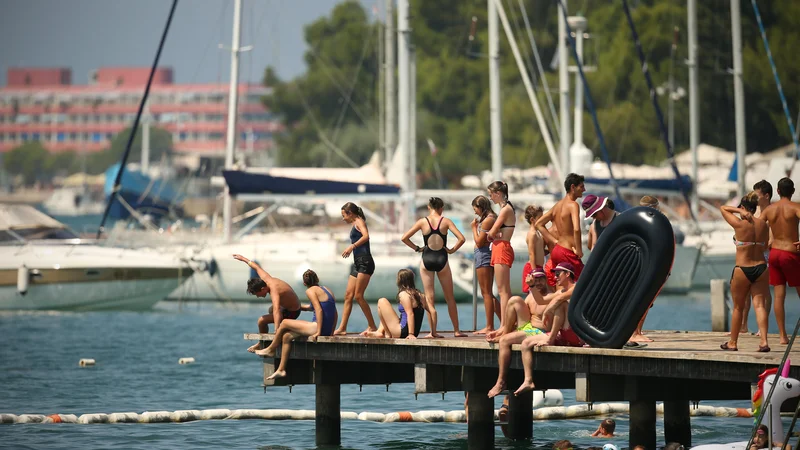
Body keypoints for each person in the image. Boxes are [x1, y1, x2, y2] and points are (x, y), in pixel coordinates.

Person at [401, 197, 467, 338]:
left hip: (427, 259)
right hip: (442, 259)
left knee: (430, 298)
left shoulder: (422, 221)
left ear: (429, 207)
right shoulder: (446, 221)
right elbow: (462, 238)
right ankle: (456, 330)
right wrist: (451, 250)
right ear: (441, 208)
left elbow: (404, 238)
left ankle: (433, 332)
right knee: (450, 298)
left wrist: (418, 248)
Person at [487, 267, 555, 398]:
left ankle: (501, 381)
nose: (539, 282)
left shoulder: (550, 297)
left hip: (541, 331)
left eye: (542, 279)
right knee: (514, 300)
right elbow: (518, 317)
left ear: (546, 280)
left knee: (504, 341)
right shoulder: (530, 296)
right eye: (536, 280)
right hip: (528, 326)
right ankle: (504, 332)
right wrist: (499, 330)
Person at [256, 270, 338, 379]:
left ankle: (271, 349)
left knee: (284, 323)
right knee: (287, 336)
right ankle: (281, 370)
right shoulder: (327, 290)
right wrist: (331, 331)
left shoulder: (310, 291)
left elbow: (318, 310)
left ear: (304, 283)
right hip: (326, 329)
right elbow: (333, 311)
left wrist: (318, 331)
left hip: (317, 328)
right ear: (317, 279)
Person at [514, 262, 580, 396]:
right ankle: (528, 380)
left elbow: (558, 300)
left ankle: (550, 339)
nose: (555, 277)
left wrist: (548, 310)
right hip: (563, 335)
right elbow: (542, 300)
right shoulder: (560, 291)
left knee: (559, 305)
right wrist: (531, 285)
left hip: (578, 335)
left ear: (567, 274)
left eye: (558, 274)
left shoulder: (577, 286)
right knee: (526, 343)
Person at [720, 192, 771, 352]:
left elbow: (723, 208)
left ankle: (733, 342)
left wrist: (740, 213)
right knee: (760, 305)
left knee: (738, 307)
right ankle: (763, 341)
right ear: (755, 208)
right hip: (761, 268)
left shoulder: (740, 224)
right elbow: (763, 247)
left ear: (743, 208)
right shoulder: (763, 224)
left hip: (743, 268)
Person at [234, 254, 302, 353]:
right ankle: (270, 336)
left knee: (261, 321)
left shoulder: (274, 290)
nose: (258, 297)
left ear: (262, 289)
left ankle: (262, 343)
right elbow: (256, 267)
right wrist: (243, 259)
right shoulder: (266, 279)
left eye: (257, 294)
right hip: (290, 307)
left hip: (293, 312)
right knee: (270, 310)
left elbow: (277, 310)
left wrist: (276, 331)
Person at [760, 178, 800, 345]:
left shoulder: (770, 210)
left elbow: (757, 225)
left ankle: (783, 336)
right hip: (790, 253)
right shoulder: (795, 207)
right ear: (793, 191)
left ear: (777, 191)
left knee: (778, 296)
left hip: (775, 253)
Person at [334, 202, 378, 336]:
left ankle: (372, 327)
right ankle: (342, 328)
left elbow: (366, 236)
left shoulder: (359, 222)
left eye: (344, 215)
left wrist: (351, 246)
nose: (343, 218)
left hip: (365, 262)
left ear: (350, 213)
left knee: (358, 296)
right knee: (348, 296)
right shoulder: (354, 224)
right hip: (357, 263)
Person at [537, 173, 586, 287]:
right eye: (581, 186)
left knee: (560, 286)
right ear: (573, 187)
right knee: (583, 283)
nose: (584, 189)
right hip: (568, 252)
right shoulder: (573, 205)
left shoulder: (557, 205)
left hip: (557, 251)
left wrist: (554, 241)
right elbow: (577, 229)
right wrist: (579, 250)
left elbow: (539, 224)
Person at [740, 180, 774, 334]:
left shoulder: (772, 212)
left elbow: (772, 238)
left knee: (764, 292)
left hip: (766, 254)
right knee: (745, 290)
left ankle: (762, 328)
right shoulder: (757, 212)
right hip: (754, 253)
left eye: (757, 195)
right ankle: (743, 326)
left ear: (766, 196)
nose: (754, 197)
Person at [367, 269, 434, 339]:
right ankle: (380, 331)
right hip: (414, 332)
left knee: (382, 301)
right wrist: (433, 332)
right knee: (386, 312)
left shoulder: (404, 294)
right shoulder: (421, 295)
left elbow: (410, 314)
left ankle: (384, 333)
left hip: (403, 332)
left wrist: (411, 334)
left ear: (400, 280)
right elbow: (433, 311)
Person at [486, 181, 517, 329]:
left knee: (502, 291)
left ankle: (505, 325)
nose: (490, 198)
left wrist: (493, 233)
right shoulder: (505, 208)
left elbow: (491, 233)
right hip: (500, 247)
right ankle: (508, 323)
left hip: (502, 248)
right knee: (504, 290)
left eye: (491, 194)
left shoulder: (505, 209)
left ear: (498, 193)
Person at [471, 195, 501, 335]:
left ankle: (489, 326)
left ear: (481, 207)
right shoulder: (490, 218)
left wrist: (473, 228)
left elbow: (479, 242)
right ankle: (504, 322)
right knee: (487, 293)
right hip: (484, 254)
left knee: (486, 293)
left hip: (484, 255)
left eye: (475, 209)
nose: (475, 212)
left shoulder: (488, 220)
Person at [522, 205, 546, 294]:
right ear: (532, 219)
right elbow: (532, 254)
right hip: (533, 268)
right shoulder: (532, 234)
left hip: (538, 267)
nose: (542, 220)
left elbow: (539, 250)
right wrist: (534, 272)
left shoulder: (537, 233)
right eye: (540, 218)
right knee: (533, 294)